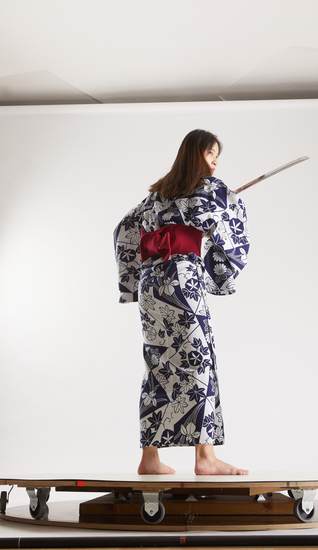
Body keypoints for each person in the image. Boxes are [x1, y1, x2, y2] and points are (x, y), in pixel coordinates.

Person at [114, 129, 250, 475]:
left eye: (217, 154)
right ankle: (205, 459)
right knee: (198, 360)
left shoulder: (156, 196)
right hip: (181, 280)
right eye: (210, 153)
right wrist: (228, 208)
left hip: (151, 283)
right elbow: (228, 224)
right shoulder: (211, 190)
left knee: (159, 363)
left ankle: (150, 459)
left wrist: (130, 283)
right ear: (194, 155)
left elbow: (123, 230)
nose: (216, 160)